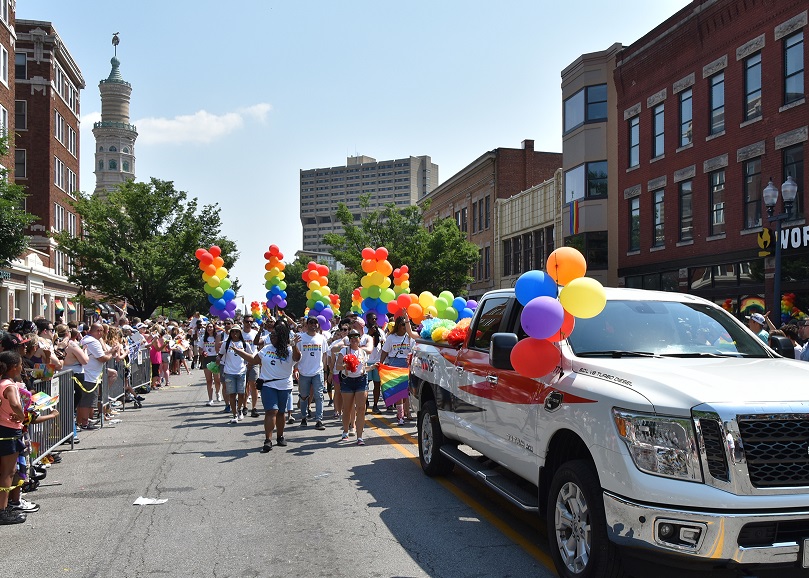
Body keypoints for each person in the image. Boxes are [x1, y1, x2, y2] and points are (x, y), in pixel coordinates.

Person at [235, 319, 301, 452]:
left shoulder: (289, 350)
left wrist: (294, 345)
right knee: (271, 411)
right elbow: (254, 360)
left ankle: (280, 436)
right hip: (268, 385)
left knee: (281, 412)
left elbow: (297, 358)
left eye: (274, 336)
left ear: (281, 337)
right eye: (271, 335)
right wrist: (238, 351)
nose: (271, 337)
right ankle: (268, 439)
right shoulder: (266, 349)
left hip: (284, 385)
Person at [0, 351, 27, 525]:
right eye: (20, 364)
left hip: (3, 429)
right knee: (7, 473)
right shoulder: (9, 385)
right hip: (9, 432)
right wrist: (21, 415)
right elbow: (15, 404)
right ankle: (2, 511)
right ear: (14, 367)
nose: (22, 367)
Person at [379, 313, 419, 424]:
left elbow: (414, 350)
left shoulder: (410, 337)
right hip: (394, 364)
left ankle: (405, 412)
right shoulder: (391, 337)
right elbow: (385, 351)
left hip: (407, 365)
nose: (404, 327)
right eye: (402, 325)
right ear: (398, 325)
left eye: (406, 325)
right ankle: (400, 416)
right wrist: (381, 363)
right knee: (398, 392)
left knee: (406, 392)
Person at [78, 323, 118, 429]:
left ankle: (86, 421)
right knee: (88, 401)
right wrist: (111, 353)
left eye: (102, 330)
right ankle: (85, 423)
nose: (101, 333)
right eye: (98, 331)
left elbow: (100, 353)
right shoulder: (92, 341)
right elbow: (101, 358)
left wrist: (109, 351)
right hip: (90, 375)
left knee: (90, 401)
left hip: (91, 374)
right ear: (92, 330)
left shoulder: (88, 340)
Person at [335, 330, 370, 445]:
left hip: (361, 380)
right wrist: (345, 365)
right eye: (351, 337)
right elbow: (338, 366)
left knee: (361, 409)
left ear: (360, 339)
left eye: (356, 337)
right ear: (349, 340)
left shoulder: (363, 352)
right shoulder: (344, 351)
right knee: (348, 408)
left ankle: (360, 437)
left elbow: (364, 368)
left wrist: (373, 367)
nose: (354, 339)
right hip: (347, 381)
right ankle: (345, 431)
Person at [296, 317, 329, 431]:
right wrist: (296, 369)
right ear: (307, 324)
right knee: (304, 396)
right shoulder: (301, 338)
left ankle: (319, 419)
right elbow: (296, 355)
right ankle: (304, 417)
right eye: (311, 323)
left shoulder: (321, 338)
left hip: (317, 371)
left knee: (319, 396)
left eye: (315, 323)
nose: (313, 325)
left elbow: (325, 354)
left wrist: (323, 368)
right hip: (304, 371)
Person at [218, 324, 252, 424]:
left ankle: (240, 409)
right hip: (229, 372)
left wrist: (249, 364)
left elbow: (250, 355)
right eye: (233, 331)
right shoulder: (226, 344)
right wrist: (218, 359)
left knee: (241, 393)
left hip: (241, 372)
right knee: (232, 394)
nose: (235, 333)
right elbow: (220, 354)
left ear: (240, 333)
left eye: (237, 331)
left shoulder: (244, 344)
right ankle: (234, 415)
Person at [240, 317, 260, 418]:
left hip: (254, 361)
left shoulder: (255, 333)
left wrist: (255, 360)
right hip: (242, 363)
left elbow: (259, 347)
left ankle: (254, 408)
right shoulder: (239, 334)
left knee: (254, 385)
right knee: (244, 385)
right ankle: (244, 406)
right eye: (247, 321)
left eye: (251, 322)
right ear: (243, 322)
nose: (248, 323)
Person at [198, 323, 222, 405]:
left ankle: (218, 392)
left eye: (211, 327)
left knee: (217, 380)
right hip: (207, 359)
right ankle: (210, 399)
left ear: (214, 328)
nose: (209, 328)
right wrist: (203, 352)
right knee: (209, 380)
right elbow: (200, 349)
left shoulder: (217, 337)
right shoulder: (203, 338)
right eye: (208, 327)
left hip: (215, 358)